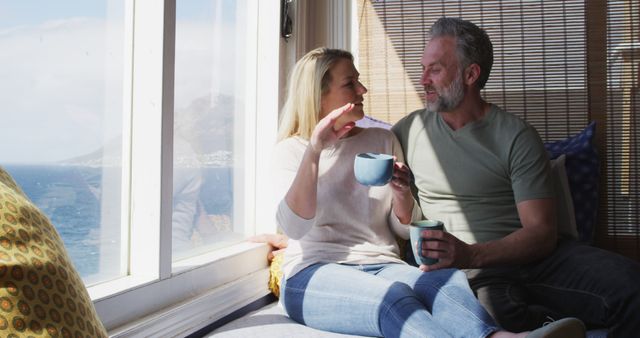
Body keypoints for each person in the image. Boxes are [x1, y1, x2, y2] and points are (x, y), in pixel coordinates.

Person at [272, 46, 584, 338]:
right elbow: (294, 227)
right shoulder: (293, 151)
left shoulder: (382, 140)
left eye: (360, 81)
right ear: (319, 94)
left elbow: (403, 230)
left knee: (445, 281)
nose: (362, 90)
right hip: (314, 272)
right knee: (394, 299)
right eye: (350, 83)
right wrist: (315, 150)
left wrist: (401, 192)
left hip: (383, 264)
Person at [391, 16, 640, 336]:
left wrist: (471, 252)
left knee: (633, 288)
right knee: (490, 318)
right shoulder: (408, 131)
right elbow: (385, 194)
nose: (423, 79)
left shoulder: (515, 136)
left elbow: (540, 233)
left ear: (470, 74)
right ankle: (545, 322)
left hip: (533, 259)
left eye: (435, 69)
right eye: (423, 67)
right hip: (469, 274)